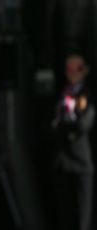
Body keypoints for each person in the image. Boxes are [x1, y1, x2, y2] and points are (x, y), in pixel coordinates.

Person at [52, 54, 95, 230]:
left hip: (81, 160)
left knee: (83, 217)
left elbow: (83, 123)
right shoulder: (63, 93)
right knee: (65, 212)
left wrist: (64, 127)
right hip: (62, 161)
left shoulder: (87, 95)